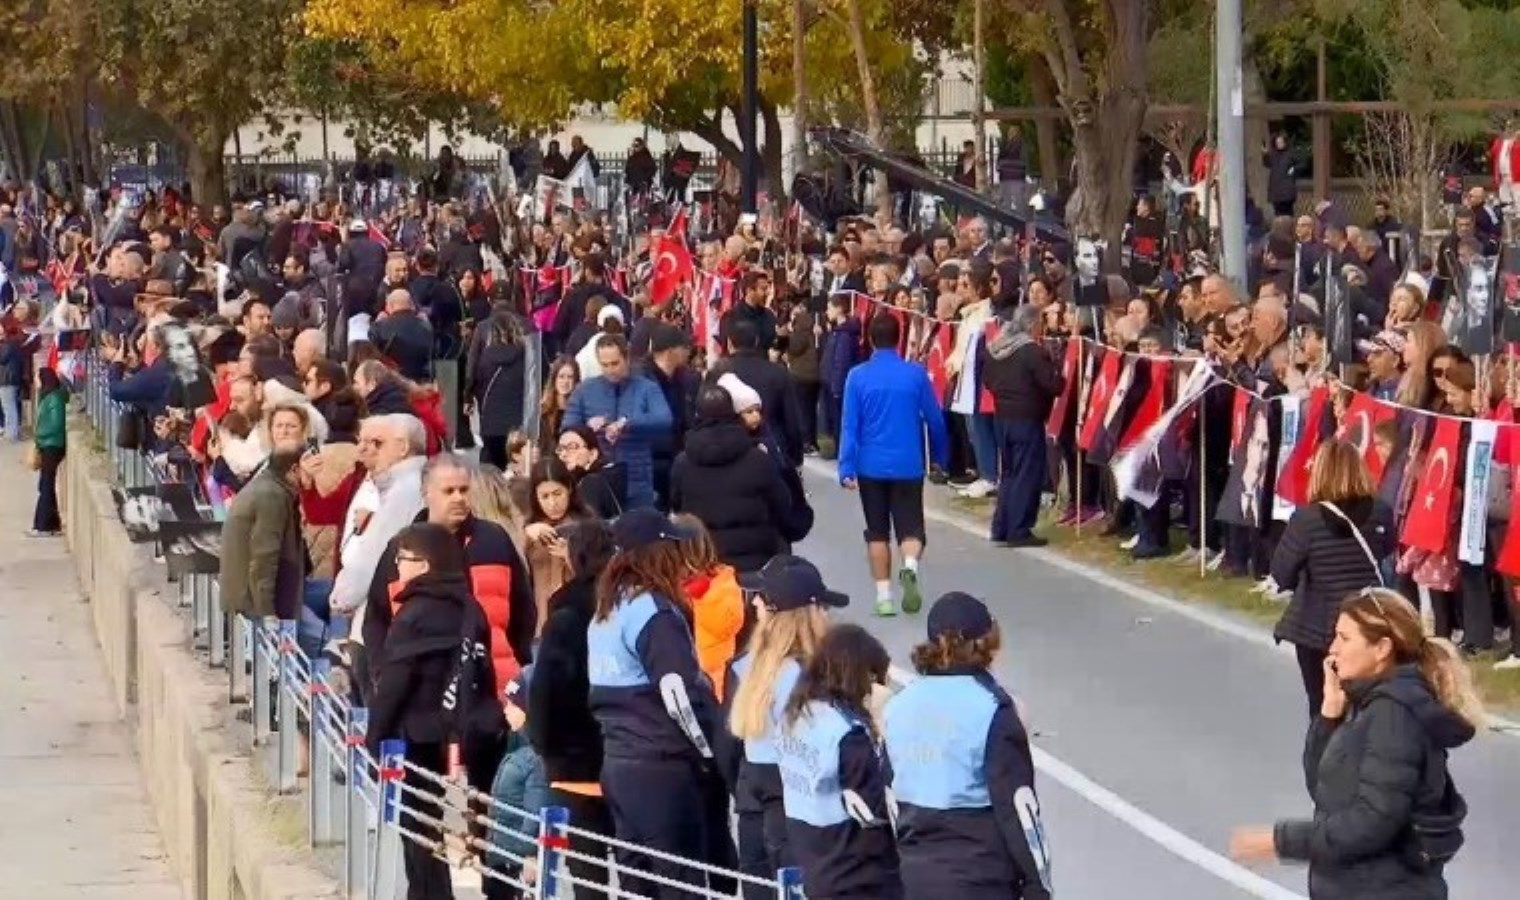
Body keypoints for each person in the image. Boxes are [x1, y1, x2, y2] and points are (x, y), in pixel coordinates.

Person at [1230, 589, 1482, 899]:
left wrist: (1280, 841)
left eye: (1344, 638)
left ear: (1382, 649)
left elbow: (1373, 821)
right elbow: (1326, 789)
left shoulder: (1394, 714)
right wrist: (1329, 714)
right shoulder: (1369, 704)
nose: (1332, 648)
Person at [587, 509, 721, 898]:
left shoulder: (606, 612)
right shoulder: (655, 613)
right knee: (681, 882)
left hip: (618, 763)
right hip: (661, 767)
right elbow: (679, 694)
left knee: (636, 881)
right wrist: (708, 751)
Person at [884, 592, 1053, 900]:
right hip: (980, 879)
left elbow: (890, 797)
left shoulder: (898, 706)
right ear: (986, 644)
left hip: (915, 878)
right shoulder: (992, 710)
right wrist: (1037, 886)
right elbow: (1018, 810)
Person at [366, 522, 487, 900]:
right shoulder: (470, 606)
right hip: (463, 730)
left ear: (425, 564)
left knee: (419, 833)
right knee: (460, 828)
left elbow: (393, 686)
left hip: (417, 736)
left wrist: (375, 739)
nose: (398, 567)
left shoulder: (413, 614)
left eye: (404, 559)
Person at [725, 554, 842, 895]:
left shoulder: (744, 667)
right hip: (801, 804)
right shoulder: (817, 675)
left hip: (751, 794)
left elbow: (727, 744)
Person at [526, 519, 617, 898]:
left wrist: (544, 745)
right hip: (625, 751)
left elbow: (547, 691)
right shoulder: (630, 604)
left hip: (576, 759)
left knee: (587, 866)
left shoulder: (565, 614)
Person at [776, 623, 901, 900]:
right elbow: (874, 810)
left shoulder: (794, 715)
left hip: (809, 852)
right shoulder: (847, 733)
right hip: (855, 868)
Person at [1271, 440, 1394, 715]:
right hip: (1368, 624)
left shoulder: (1307, 520)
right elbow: (1386, 552)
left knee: (1324, 705)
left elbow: (1282, 574)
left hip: (1319, 629)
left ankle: (1324, 755)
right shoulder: (1381, 512)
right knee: (1369, 707)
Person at [838, 312, 949, 616]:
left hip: (870, 465)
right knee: (911, 527)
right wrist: (941, 456)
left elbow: (850, 425)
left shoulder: (857, 376)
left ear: (869, 339)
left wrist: (846, 466)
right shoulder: (915, 374)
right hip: (908, 464)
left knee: (876, 531)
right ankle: (910, 565)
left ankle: (883, 597)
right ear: (899, 338)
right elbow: (935, 420)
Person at [671, 386, 805, 573]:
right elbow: (780, 505)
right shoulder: (758, 459)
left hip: (706, 561)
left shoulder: (682, 464)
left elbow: (678, 509)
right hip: (756, 560)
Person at [979, 304, 1064, 548]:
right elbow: (1053, 385)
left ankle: (1001, 526)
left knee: (1009, 473)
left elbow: (988, 381)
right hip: (1026, 418)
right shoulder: (1031, 352)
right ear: (1032, 324)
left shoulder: (996, 348)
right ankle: (1019, 528)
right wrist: (1061, 374)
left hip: (1002, 417)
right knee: (1027, 474)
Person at [563, 335, 672, 509]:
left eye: (615, 363)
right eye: (604, 365)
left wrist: (628, 423)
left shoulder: (646, 388)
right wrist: (587, 429)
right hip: (596, 479)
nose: (610, 370)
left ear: (626, 358)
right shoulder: (584, 390)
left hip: (637, 478)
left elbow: (664, 419)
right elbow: (567, 428)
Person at [524, 458, 590, 629]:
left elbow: (598, 575)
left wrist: (570, 555)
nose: (552, 504)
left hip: (577, 622)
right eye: (544, 496)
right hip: (538, 623)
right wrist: (525, 535)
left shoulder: (587, 524)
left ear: (568, 488)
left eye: (557, 494)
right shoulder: (528, 527)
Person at [467, 305, 529, 470]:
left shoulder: (486, 356)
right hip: (518, 420)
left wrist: (468, 396)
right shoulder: (526, 356)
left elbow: (475, 376)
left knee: (491, 465)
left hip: (491, 420)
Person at [556, 423, 626, 519]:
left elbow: (589, 527)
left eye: (572, 447)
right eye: (560, 449)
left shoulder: (592, 483)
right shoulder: (570, 481)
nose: (563, 454)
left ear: (593, 454)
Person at [29, 367, 68, 537]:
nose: (35, 382)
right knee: (45, 485)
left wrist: (38, 434)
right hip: (48, 445)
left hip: (52, 446)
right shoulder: (47, 396)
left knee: (46, 485)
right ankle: (51, 524)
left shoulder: (54, 399)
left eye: (37, 378)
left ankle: (43, 525)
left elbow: (55, 424)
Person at [539, 357, 580, 456]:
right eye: (561, 376)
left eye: (570, 377)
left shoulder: (580, 411)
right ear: (554, 379)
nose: (565, 382)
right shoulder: (543, 411)